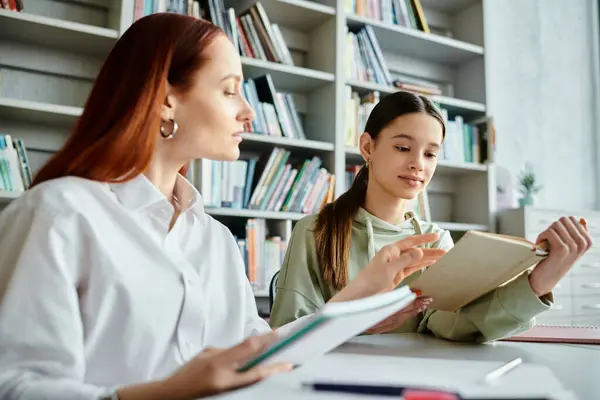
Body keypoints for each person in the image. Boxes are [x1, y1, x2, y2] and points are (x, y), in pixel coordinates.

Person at [0, 14, 447, 400]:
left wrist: (360, 295)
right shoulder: (58, 215)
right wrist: (164, 393)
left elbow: (258, 351)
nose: (248, 112)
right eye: (230, 90)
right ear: (166, 98)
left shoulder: (212, 239)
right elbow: (17, 387)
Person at [269, 91, 593, 342]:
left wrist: (538, 282)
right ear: (367, 147)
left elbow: (451, 324)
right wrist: (358, 326)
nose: (418, 164)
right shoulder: (315, 231)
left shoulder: (435, 240)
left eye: (430, 153)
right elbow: (285, 335)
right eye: (402, 148)